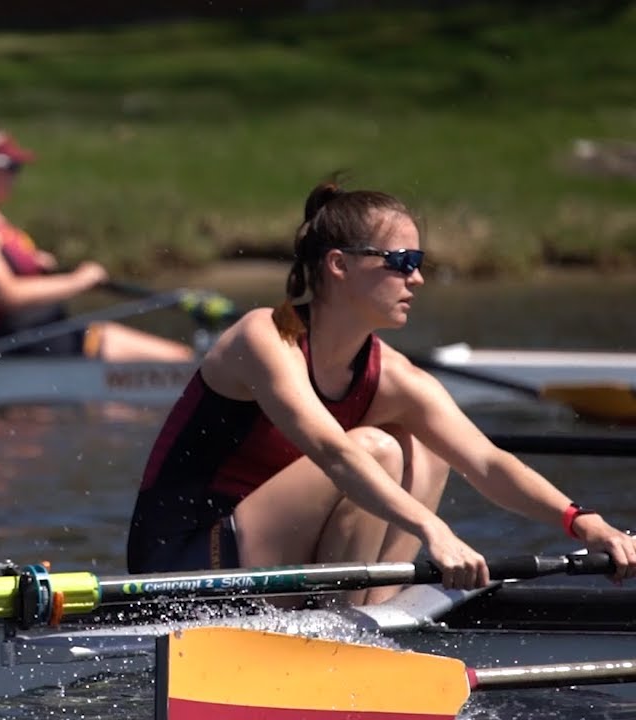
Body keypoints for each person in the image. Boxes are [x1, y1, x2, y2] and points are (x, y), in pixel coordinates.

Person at [126, 179, 636, 605]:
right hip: (184, 568)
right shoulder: (266, 337)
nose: (415, 278)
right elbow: (333, 452)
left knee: (428, 451)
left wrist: (583, 523)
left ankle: (373, 618)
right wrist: (435, 532)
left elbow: (486, 461)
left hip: (273, 564)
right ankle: (342, 632)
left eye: (418, 262)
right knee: (377, 449)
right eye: (399, 260)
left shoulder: (395, 376)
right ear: (339, 265)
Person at [0, 104, 193, 361]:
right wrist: (78, 281)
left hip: (53, 332)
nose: (15, 177)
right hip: (30, 344)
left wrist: (37, 265)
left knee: (183, 356)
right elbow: (6, 293)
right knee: (181, 362)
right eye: (12, 168)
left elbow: (12, 272)